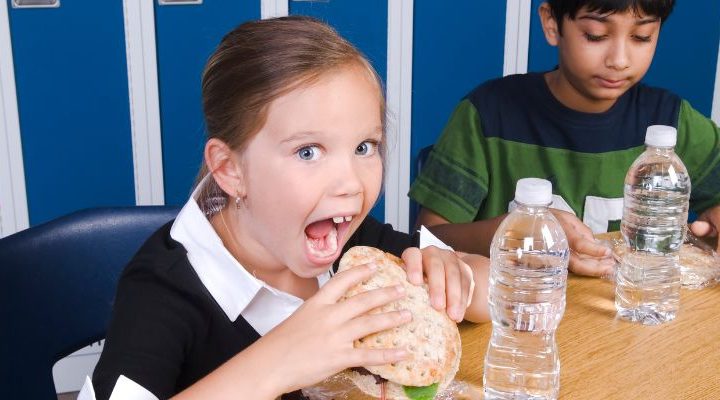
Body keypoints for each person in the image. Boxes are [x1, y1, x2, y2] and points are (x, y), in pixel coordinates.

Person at [84, 16, 489, 400]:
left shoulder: (353, 244)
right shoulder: (163, 290)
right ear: (230, 170)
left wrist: (457, 275)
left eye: (364, 147)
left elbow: (497, 291)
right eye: (308, 151)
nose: (350, 183)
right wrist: (281, 358)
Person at [409, 0, 720, 277]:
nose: (619, 59)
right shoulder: (488, 115)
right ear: (551, 24)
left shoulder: (672, 121)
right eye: (596, 35)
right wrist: (512, 232)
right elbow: (427, 239)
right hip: (521, 319)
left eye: (641, 37)